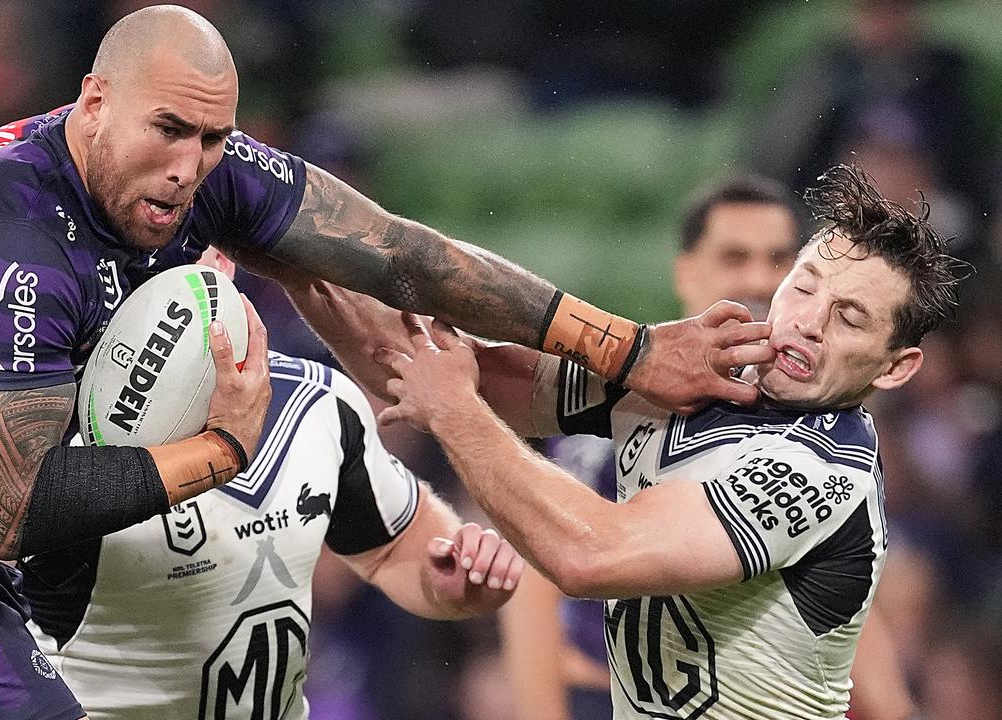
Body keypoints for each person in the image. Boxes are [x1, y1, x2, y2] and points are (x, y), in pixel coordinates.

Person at [0, 6, 762, 719]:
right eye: (170, 130)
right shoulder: (6, 241)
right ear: (92, 102)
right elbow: (11, 509)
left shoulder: (191, 175)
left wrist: (625, 343)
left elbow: (402, 255)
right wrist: (218, 448)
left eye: (214, 138)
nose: (189, 165)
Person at [287, 166, 961, 718]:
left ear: (895, 365)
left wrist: (457, 412)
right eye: (805, 285)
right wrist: (285, 252)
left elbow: (589, 555)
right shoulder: (692, 379)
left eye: (848, 319)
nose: (807, 322)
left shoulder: (824, 472)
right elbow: (435, 368)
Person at [22, 249, 522, 720]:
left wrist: (457, 583)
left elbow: (392, 551)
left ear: (221, 260)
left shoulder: (320, 403)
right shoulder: (44, 443)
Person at [500, 174, 801, 720]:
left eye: (779, 259)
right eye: (735, 257)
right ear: (686, 273)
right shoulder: (627, 403)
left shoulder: (822, 420)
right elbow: (538, 574)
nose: (760, 278)